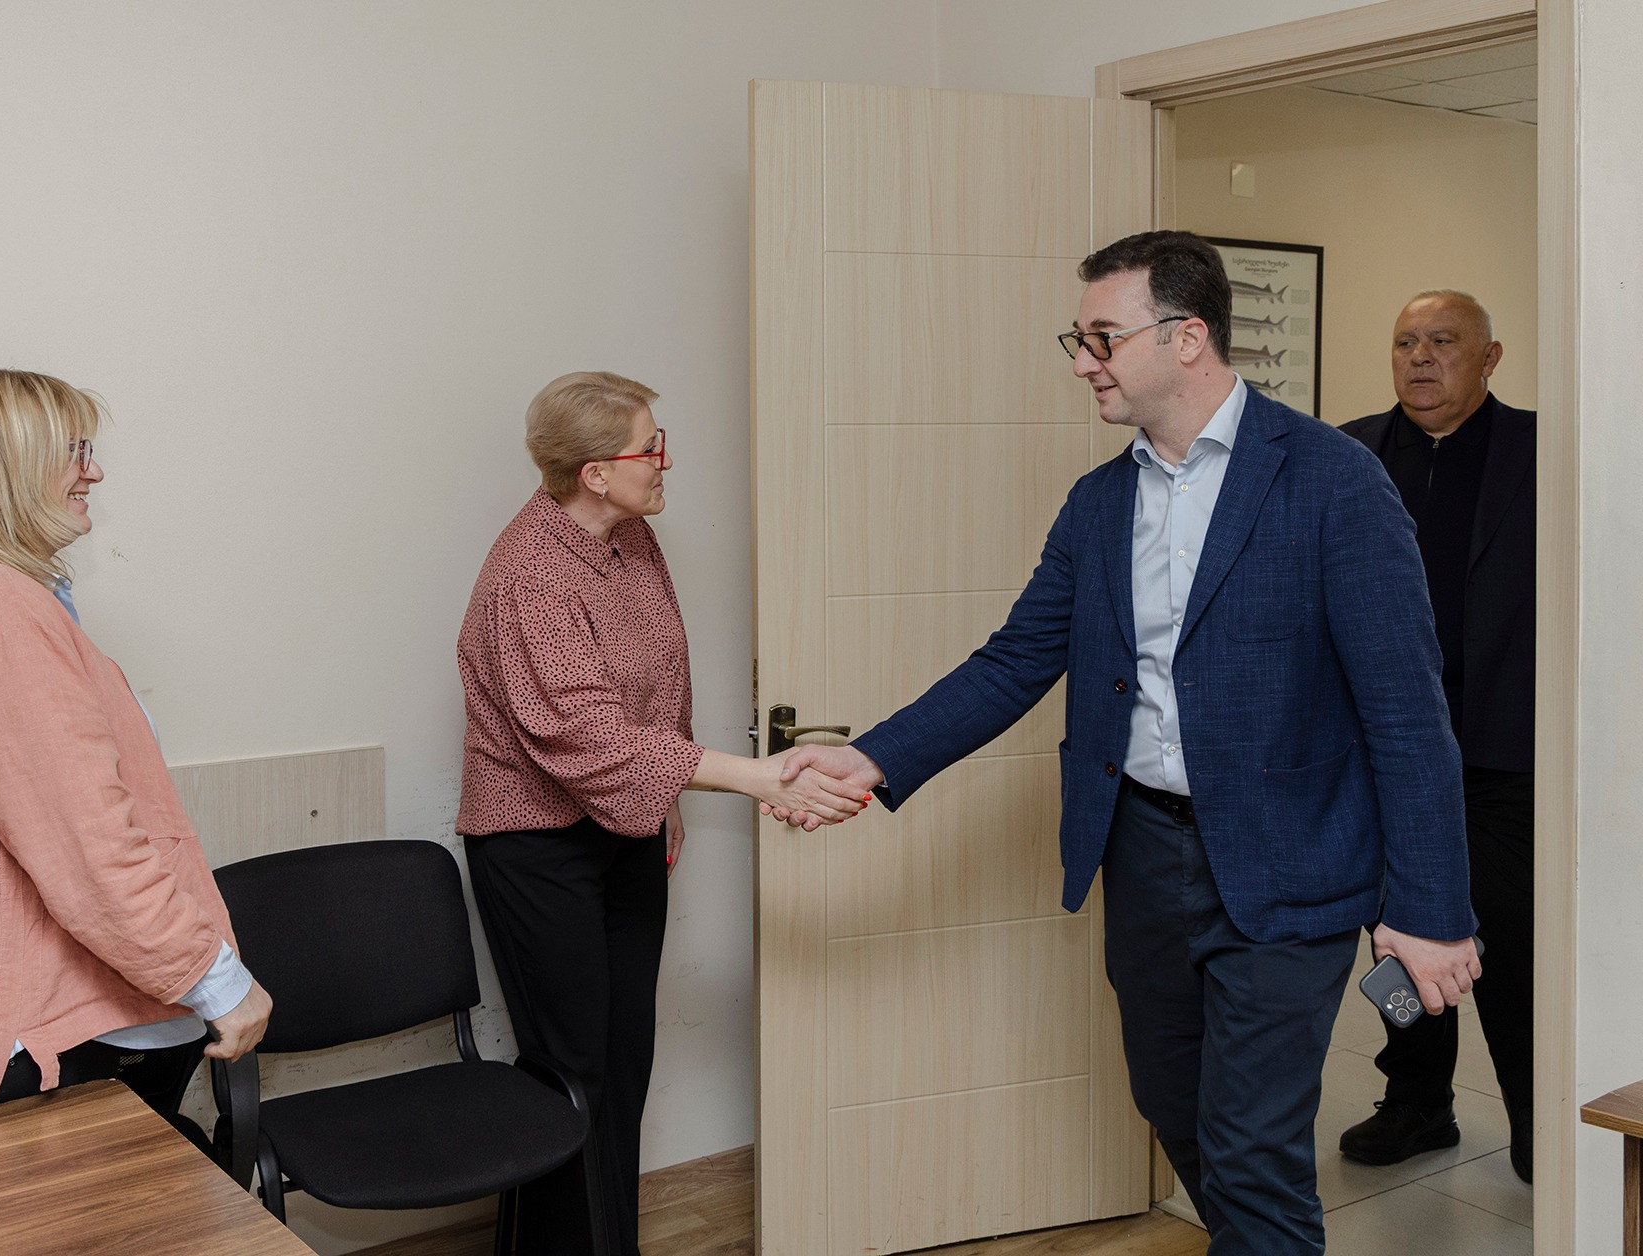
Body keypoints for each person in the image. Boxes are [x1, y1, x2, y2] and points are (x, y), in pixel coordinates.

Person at [770, 232, 1479, 1255]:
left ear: (1186, 337)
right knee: (1173, 1102)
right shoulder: (1101, 502)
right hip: (1143, 852)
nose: (1083, 361)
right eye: (1081, 339)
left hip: (1291, 864)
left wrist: (1430, 909)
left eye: (1102, 337)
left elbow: (1408, 713)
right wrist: (873, 757)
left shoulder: (1334, 481)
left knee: (1252, 1146)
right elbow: (1014, 660)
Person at [457, 370, 863, 1255]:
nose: (666, 461)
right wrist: (755, 779)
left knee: (623, 1059)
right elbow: (588, 735)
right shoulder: (530, 575)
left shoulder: (632, 537)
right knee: (572, 1071)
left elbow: (658, 679)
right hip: (536, 845)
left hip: (626, 829)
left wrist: (667, 791)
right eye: (652, 447)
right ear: (596, 472)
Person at [0, 367, 272, 1134]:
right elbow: (88, 847)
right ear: (10, 466)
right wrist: (218, 982)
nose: (93, 471)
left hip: (1, 1025)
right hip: (16, 1050)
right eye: (74, 450)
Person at [1336, 291, 1536, 1182]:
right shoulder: (1348, 452)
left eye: (1443, 342)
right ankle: (1418, 1101)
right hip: (1382, 751)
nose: (1420, 357)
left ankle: (1534, 1112)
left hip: (1502, 748)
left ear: (1489, 358)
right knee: (1397, 942)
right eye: (1405, 341)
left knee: (1514, 944)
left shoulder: (1542, 448)